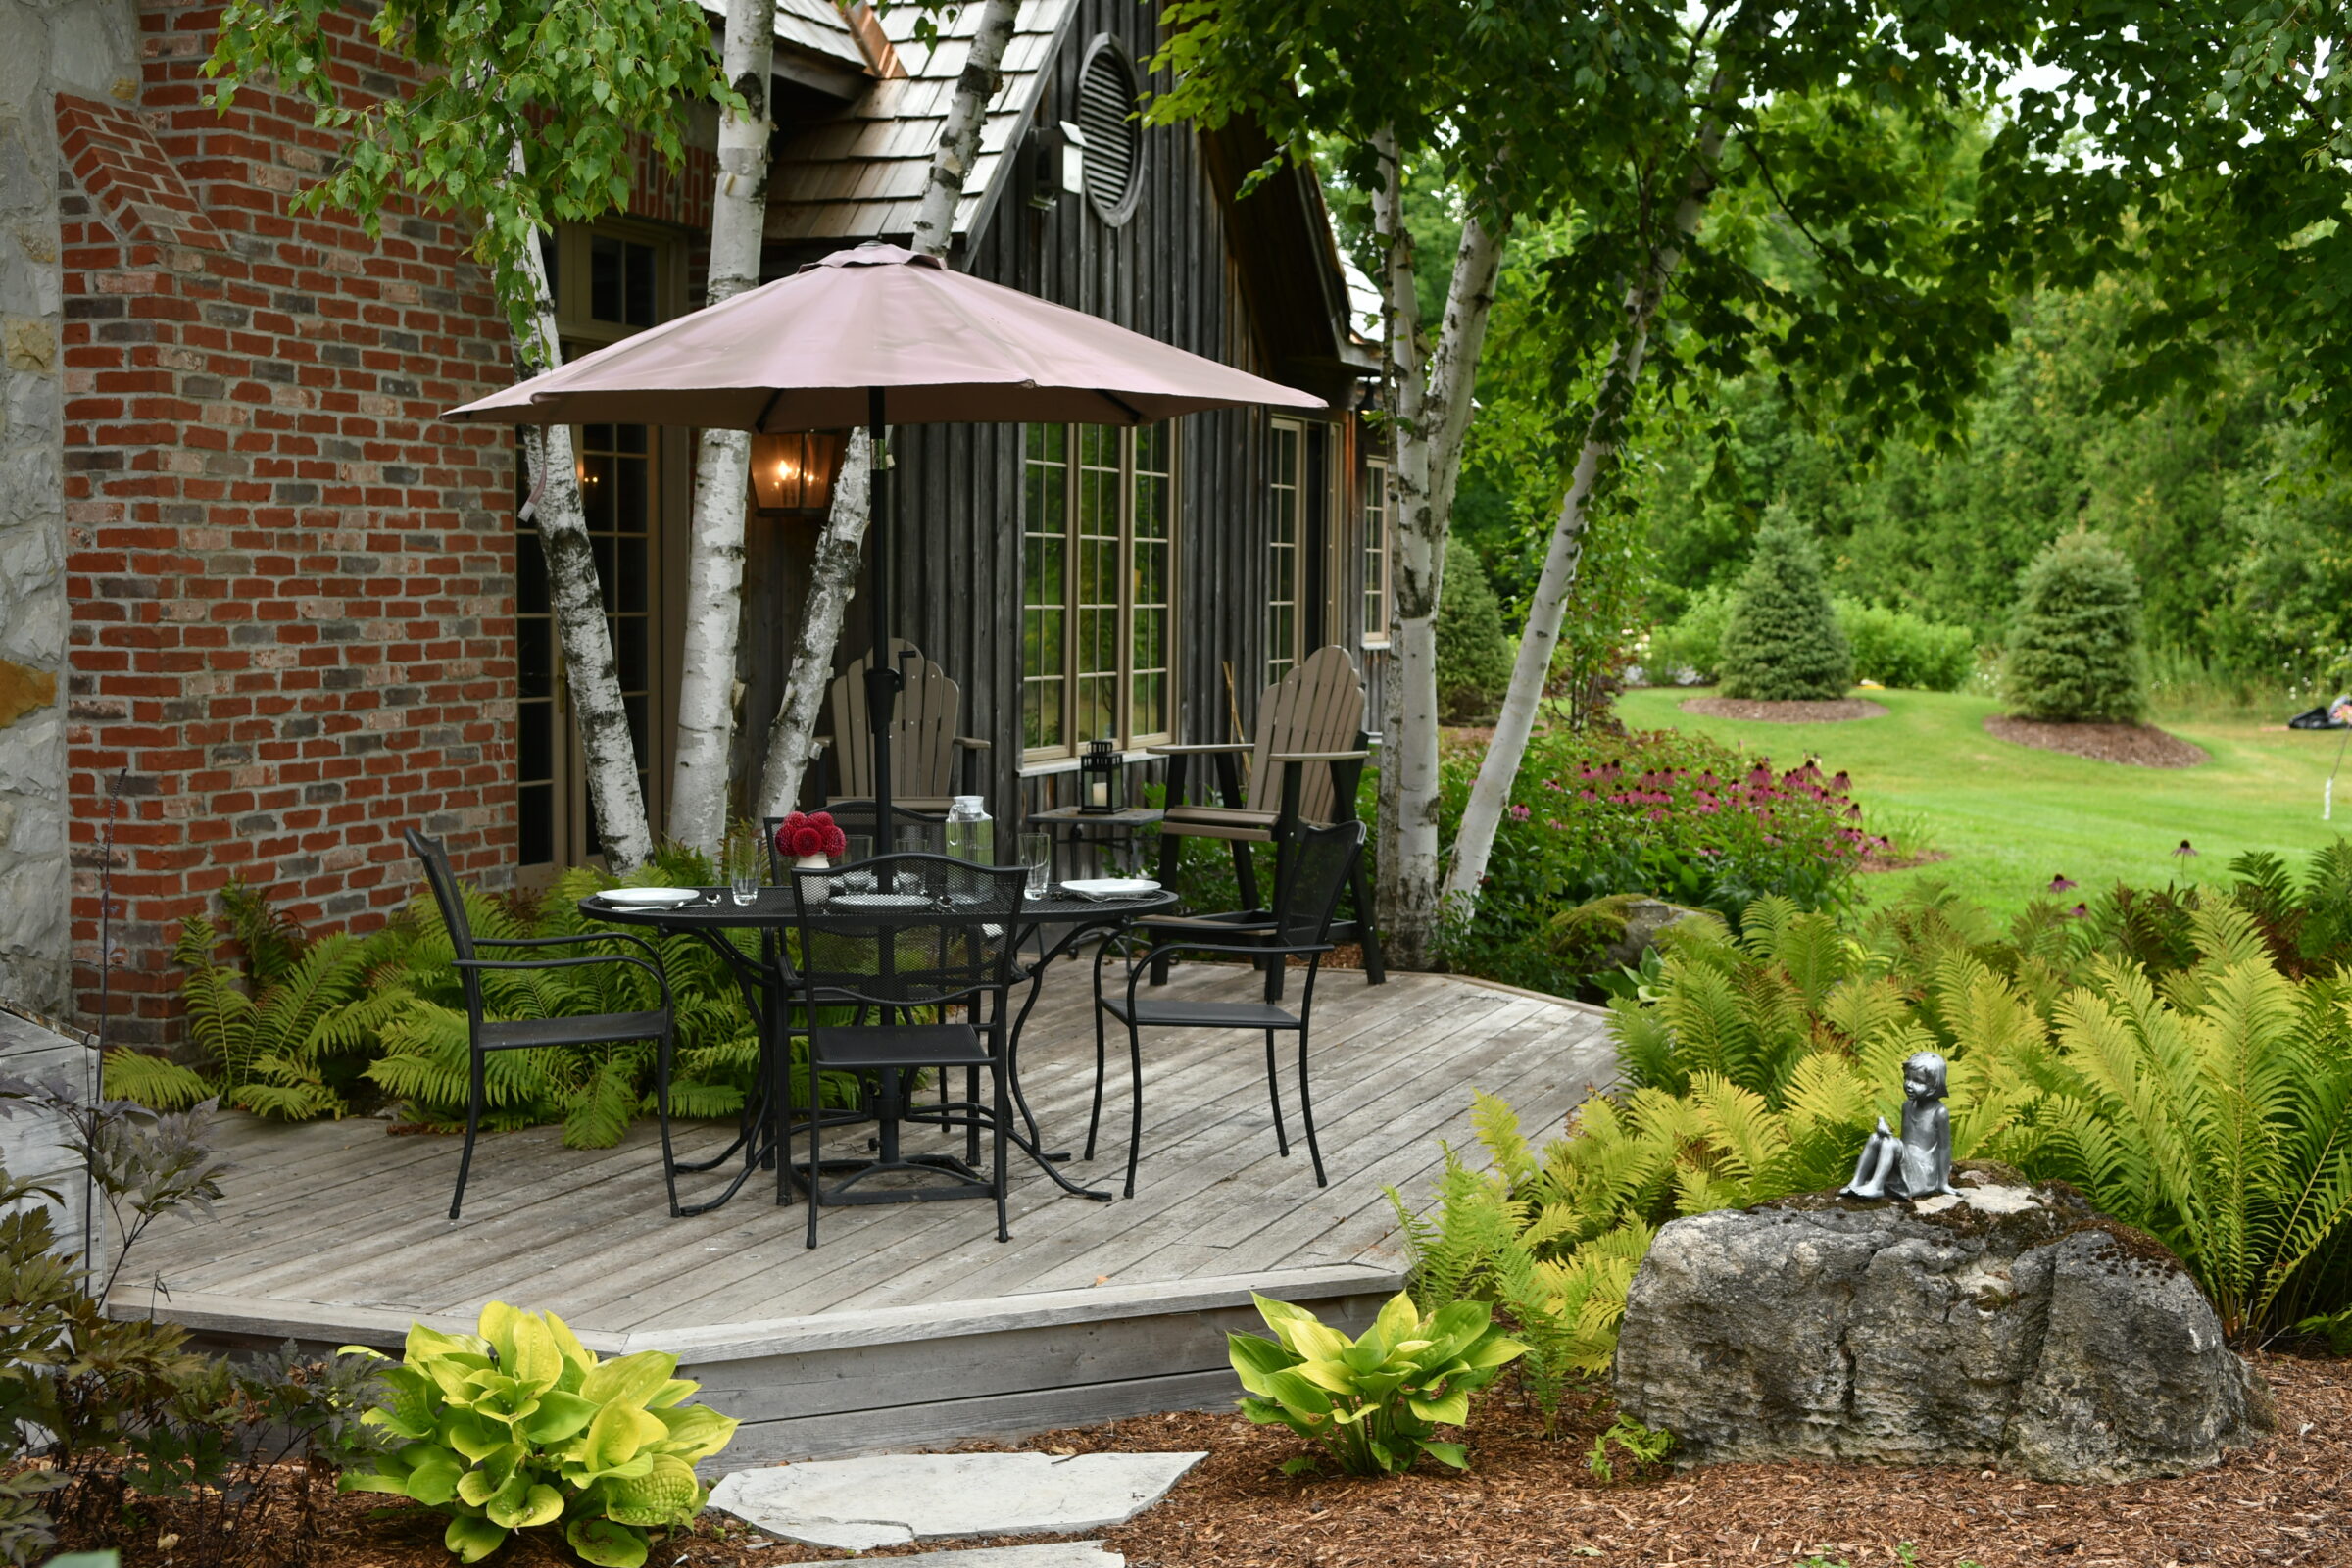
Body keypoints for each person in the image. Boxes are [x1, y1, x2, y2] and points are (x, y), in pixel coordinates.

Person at [1840, 1051, 1955, 1200]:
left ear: (1934, 1085)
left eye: (1918, 1081)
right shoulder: (1907, 1106)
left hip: (1923, 1173)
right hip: (1907, 1165)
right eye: (1907, 1078)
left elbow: (1944, 1148)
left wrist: (1943, 1183)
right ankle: (1857, 1182)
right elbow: (1902, 1143)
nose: (1909, 1085)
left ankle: (1876, 1186)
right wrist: (1884, 1132)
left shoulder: (1939, 1112)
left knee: (1891, 1143)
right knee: (1875, 1138)